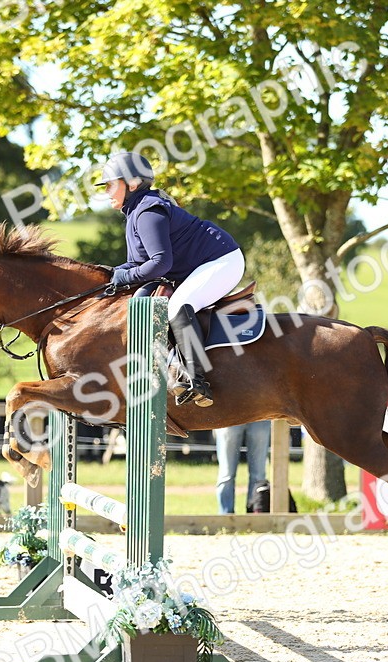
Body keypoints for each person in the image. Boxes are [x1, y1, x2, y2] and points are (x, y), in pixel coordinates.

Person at [97, 151, 245, 407]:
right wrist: (108, 276)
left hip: (223, 261)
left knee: (178, 306)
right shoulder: (135, 211)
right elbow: (136, 264)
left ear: (131, 184)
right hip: (205, 264)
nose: (107, 191)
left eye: (111, 184)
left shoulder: (147, 211)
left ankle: (195, 380)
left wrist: (125, 277)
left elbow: (159, 264)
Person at [214, 421, 271, 515]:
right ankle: (225, 516)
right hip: (228, 413)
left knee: (258, 476)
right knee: (226, 474)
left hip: (259, 413)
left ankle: (255, 513)